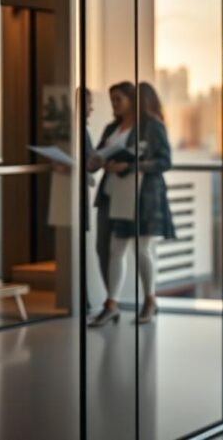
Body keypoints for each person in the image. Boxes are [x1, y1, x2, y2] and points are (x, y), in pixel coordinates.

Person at [88, 81, 175, 326]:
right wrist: (101, 162)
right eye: (112, 100)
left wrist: (130, 165)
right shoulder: (112, 127)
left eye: (119, 99)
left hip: (143, 196)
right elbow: (98, 156)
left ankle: (150, 300)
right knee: (116, 248)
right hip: (116, 195)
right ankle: (111, 304)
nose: (114, 105)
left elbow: (164, 161)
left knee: (142, 249)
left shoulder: (151, 127)